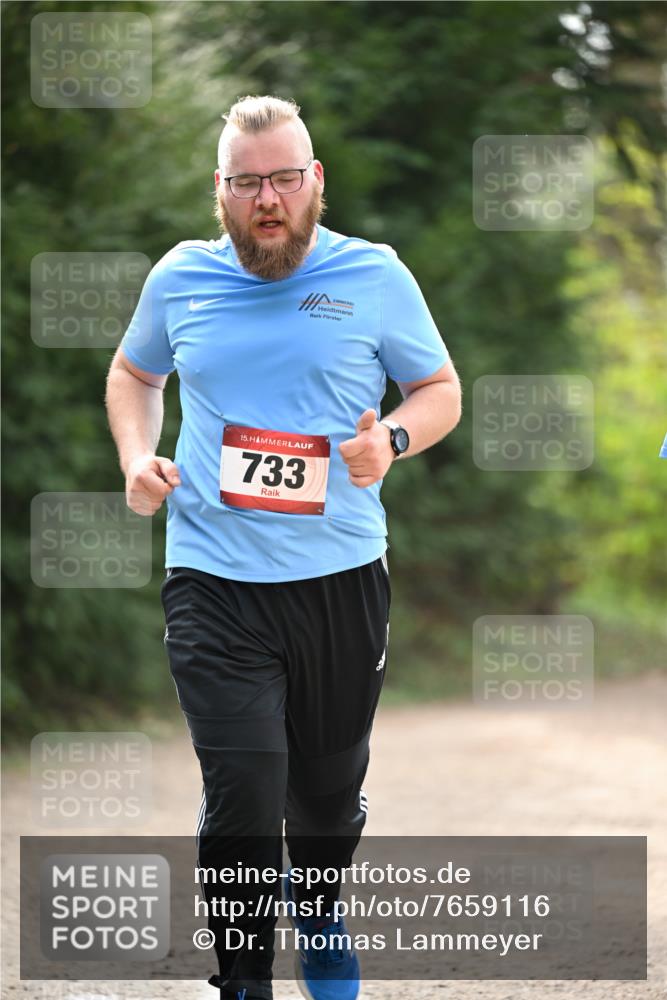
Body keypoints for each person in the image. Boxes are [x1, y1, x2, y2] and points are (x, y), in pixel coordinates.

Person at [106, 94, 461, 1000]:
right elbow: (134, 373)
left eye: (285, 178)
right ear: (219, 192)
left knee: (326, 801)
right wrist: (136, 455)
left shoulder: (375, 276)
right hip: (213, 579)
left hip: (340, 577)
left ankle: (321, 901)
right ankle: (244, 983)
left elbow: (438, 388)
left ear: (316, 182)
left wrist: (393, 439)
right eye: (248, 182)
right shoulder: (181, 278)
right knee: (243, 795)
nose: (269, 198)